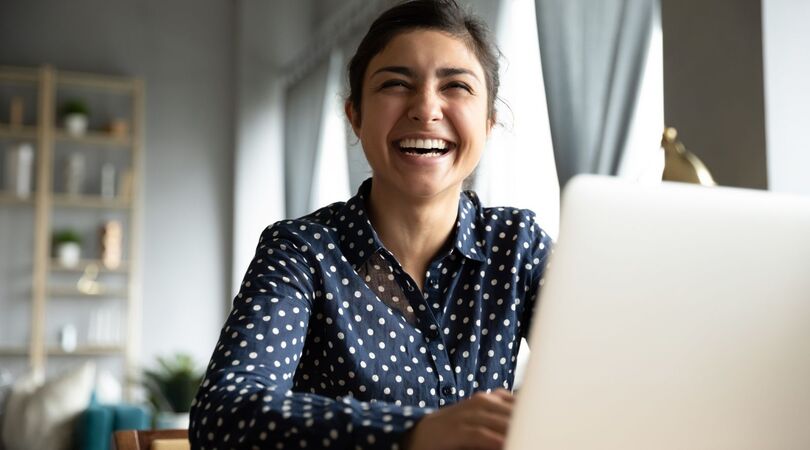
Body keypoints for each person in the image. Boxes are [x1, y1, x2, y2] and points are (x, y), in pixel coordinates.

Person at [189, 1, 553, 449]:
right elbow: (224, 414)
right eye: (396, 84)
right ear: (355, 116)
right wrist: (414, 432)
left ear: (489, 121)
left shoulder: (519, 246)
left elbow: (602, 378)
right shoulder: (300, 251)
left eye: (456, 86)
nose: (426, 109)